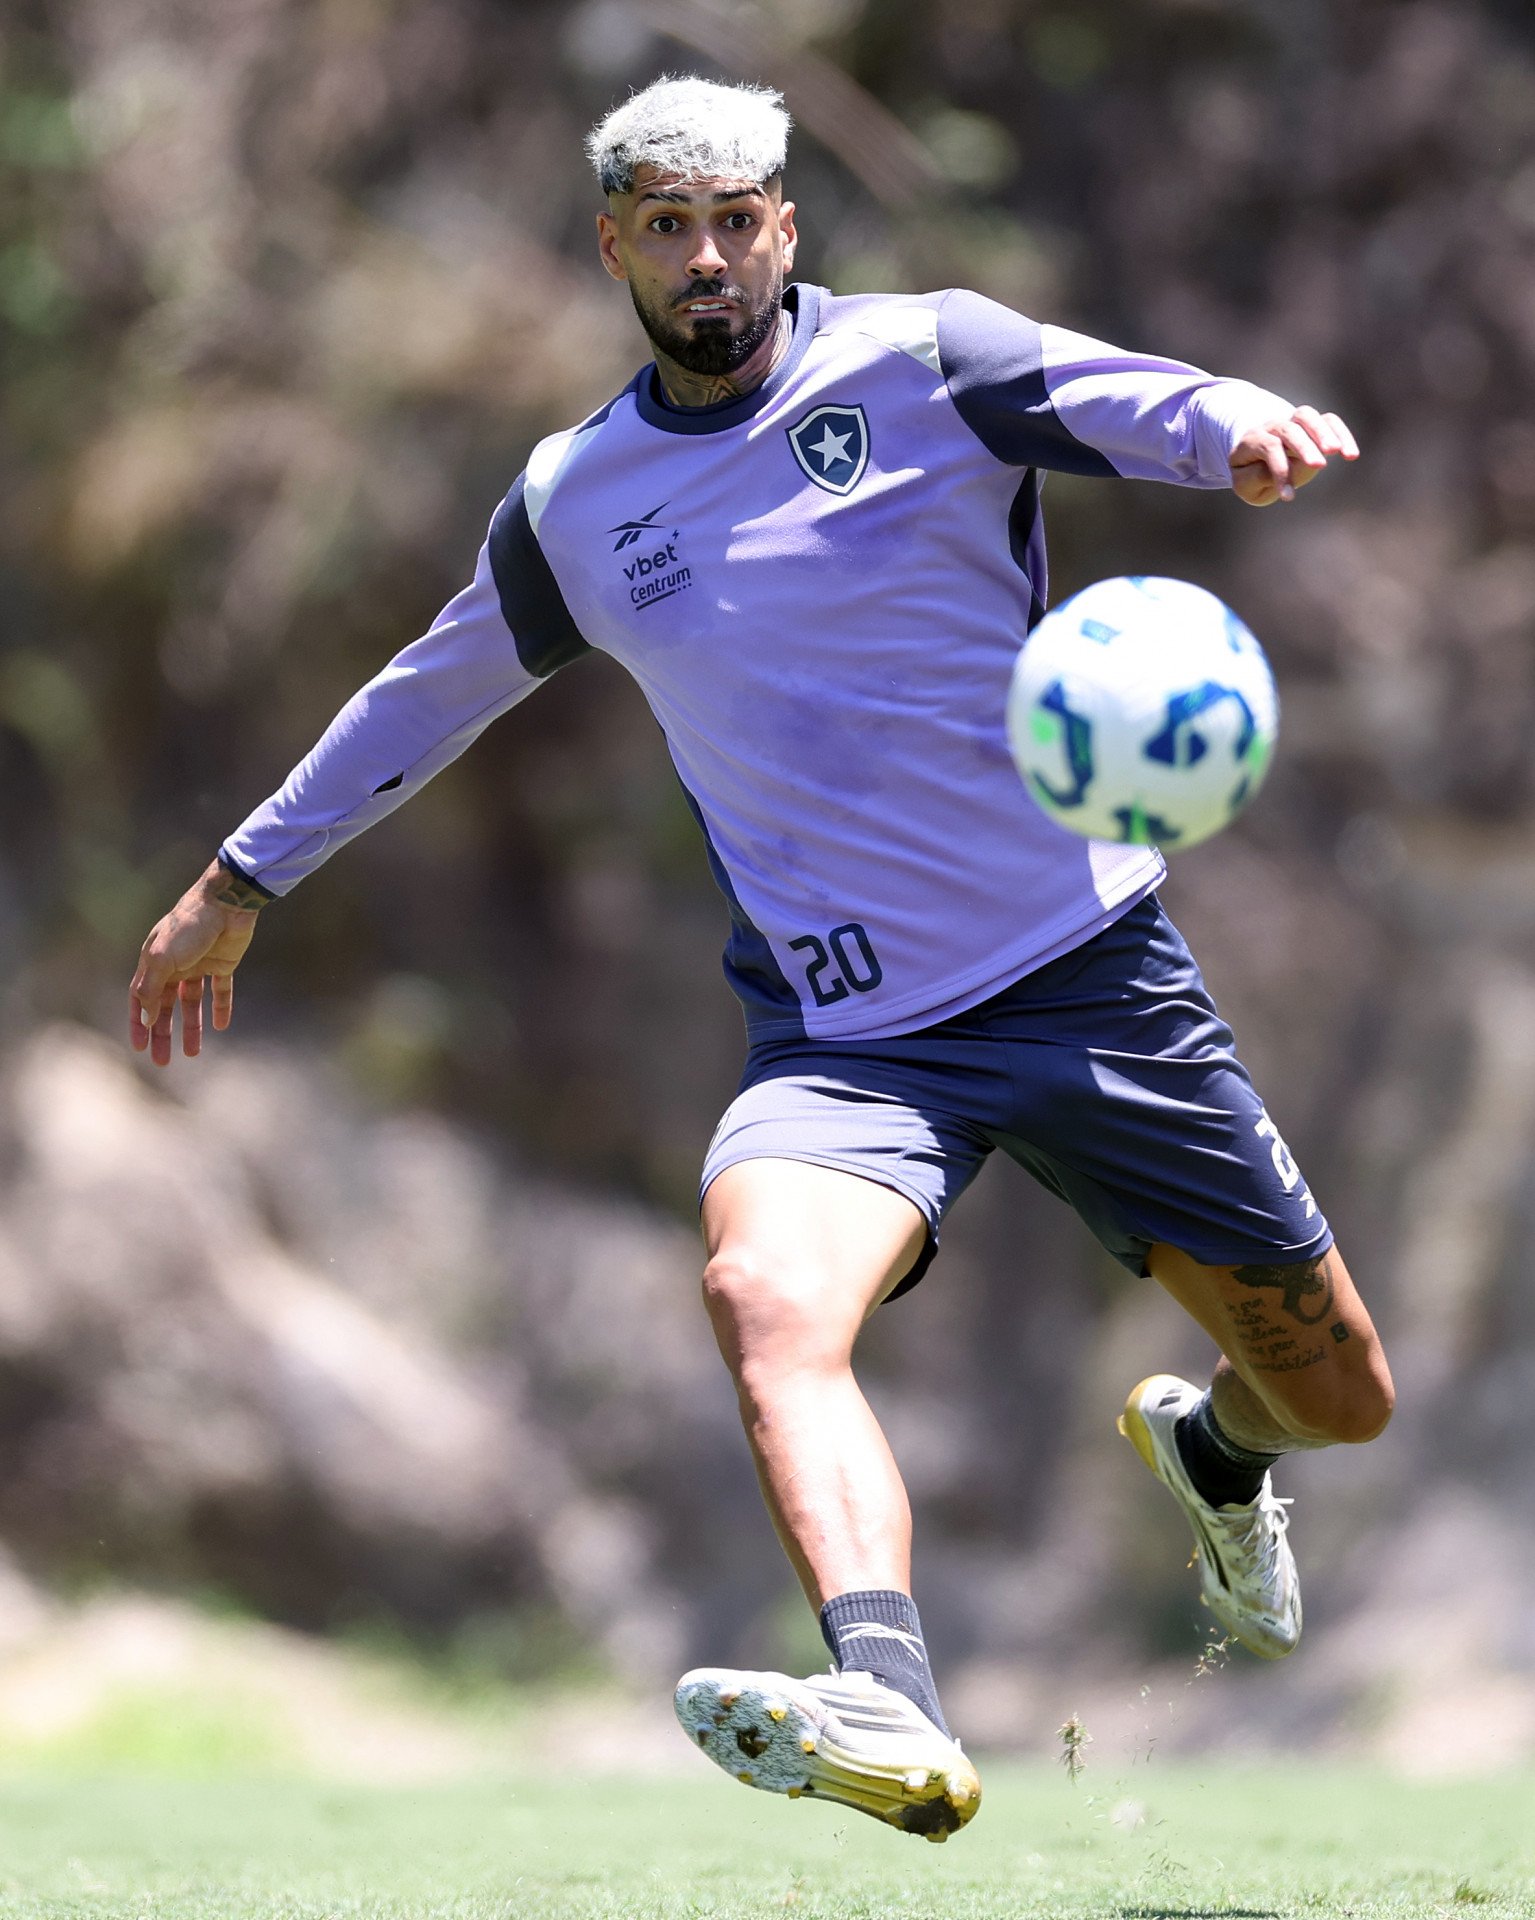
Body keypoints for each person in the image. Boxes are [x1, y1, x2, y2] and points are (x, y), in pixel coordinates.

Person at [129, 75, 1395, 1843]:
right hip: (849, 1034)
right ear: (615, 247)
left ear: (787, 225)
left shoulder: (928, 361)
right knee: (764, 1301)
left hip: (1090, 971)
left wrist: (1245, 426)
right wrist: (243, 876)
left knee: (1340, 1393)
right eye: (669, 225)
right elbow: (421, 696)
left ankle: (1217, 1455)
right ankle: (884, 1694)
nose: (709, 255)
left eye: (739, 219)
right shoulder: (576, 504)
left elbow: (1143, 400)